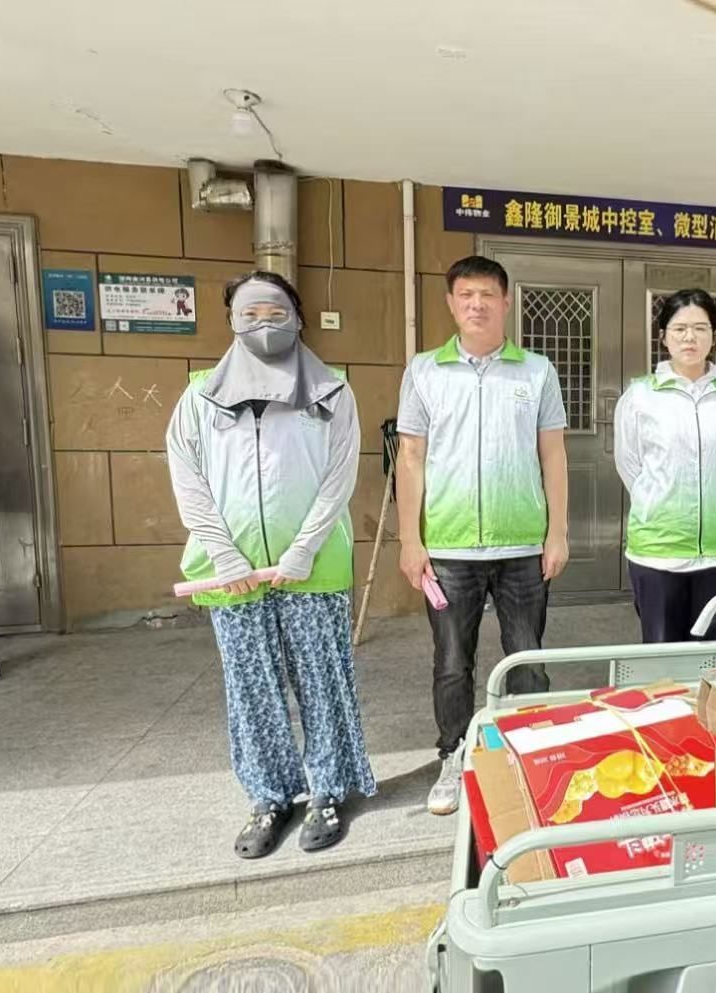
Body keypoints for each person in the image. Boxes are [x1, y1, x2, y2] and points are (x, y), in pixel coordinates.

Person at [166, 270, 375, 859]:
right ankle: (269, 796)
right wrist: (224, 552)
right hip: (230, 574)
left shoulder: (332, 392)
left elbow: (339, 476)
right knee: (250, 688)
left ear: (299, 318)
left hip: (313, 567)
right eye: (250, 314)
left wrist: (304, 548)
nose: (265, 325)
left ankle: (329, 790)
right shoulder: (200, 398)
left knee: (323, 681)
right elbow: (187, 478)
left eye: (277, 313)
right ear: (231, 321)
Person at [396, 255, 569, 816]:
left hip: (523, 547)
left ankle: (531, 754)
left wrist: (557, 533)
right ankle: (454, 755)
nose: (477, 304)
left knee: (527, 659)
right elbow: (411, 457)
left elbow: (553, 454)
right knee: (452, 661)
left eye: (487, 294)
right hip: (448, 550)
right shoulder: (425, 370)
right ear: (451, 303)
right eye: (466, 295)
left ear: (506, 301)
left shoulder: (536, 371)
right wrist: (410, 540)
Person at [614, 288, 716, 643]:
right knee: (661, 655)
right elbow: (629, 464)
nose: (689, 337)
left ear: (715, 336)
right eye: (679, 328)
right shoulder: (639, 396)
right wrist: (660, 501)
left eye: (700, 328)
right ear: (663, 337)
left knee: (712, 658)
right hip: (657, 551)